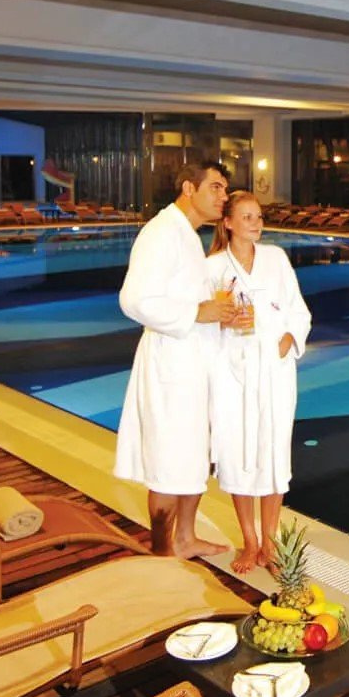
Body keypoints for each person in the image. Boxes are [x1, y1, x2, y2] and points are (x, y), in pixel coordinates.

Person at [113, 160, 236, 559]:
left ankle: (185, 538)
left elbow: (187, 300)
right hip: (171, 365)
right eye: (216, 187)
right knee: (169, 461)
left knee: (193, 454)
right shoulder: (161, 233)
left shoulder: (187, 235)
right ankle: (163, 553)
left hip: (194, 364)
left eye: (225, 189)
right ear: (188, 188)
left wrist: (214, 314)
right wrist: (197, 313)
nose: (224, 196)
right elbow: (133, 300)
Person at [206, 190, 312, 575]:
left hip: (274, 371)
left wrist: (288, 340)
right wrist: (221, 321)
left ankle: (270, 543)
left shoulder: (276, 259)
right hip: (232, 373)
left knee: (273, 454)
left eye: (259, 216)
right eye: (247, 216)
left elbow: (298, 310)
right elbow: (200, 321)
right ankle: (249, 541)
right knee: (237, 454)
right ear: (228, 222)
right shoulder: (213, 267)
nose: (255, 223)